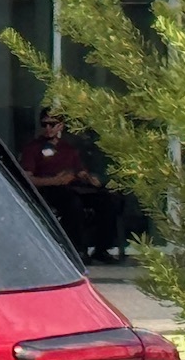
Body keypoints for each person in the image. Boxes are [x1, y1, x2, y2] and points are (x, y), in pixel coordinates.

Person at [19, 112, 122, 262]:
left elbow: (80, 170)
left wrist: (89, 178)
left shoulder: (68, 148)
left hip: (73, 186)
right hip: (49, 189)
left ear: (61, 125)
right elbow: (27, 179)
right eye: (44, 124)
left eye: (52, 124)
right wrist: (56, 181)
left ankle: (102, 249)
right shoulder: (33, 148)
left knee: (107, 201)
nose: (48, 128)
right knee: (73, 203)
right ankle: (77, 250)